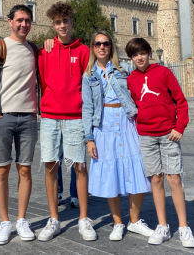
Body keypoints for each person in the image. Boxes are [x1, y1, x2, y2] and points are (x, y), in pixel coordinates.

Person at [82, 31, 153, 241]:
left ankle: (134, 220)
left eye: (106, 43)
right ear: (93, 47)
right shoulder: (88, 76)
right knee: (110, 174)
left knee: (136, 169)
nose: (102, 47)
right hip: (103, 125)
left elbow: (139, 92)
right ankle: (117, 222)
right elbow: (86, 108)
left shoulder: (124, 70)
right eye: (97, 43)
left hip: (125, 121)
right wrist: (89, 138)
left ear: (111, 46)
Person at [125, 38, 194, 247]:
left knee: (174, 178)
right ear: (131, 58)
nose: (139, 58)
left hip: (168, 134)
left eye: (142, 53)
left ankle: (184, 227)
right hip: (146, 136)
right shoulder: (131, 79)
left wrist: (179, 127)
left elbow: (180, 101)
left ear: (149, 53)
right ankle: (163, 225)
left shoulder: (164, 73)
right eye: (134, 55)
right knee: (155, 180)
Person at [0, 4, 38, 245]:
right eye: (19, 20)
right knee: (1, 170)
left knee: (25, 170)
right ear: (10, 21)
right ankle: (5, 222)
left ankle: (21, 219)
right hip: (3, 118)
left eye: (28, 21)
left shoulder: (34, 49)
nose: (24, 25)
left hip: (28, 118)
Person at [37, 2, 96, 242]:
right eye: (58, 22)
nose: (62, 26)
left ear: (72, 23)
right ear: (53, 25)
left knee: (79, 166)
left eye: (65, 21)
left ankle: (83, 218)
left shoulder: (83, 51)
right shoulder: (45, 51)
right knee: (50, 166)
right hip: (50, 116)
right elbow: (42, 82)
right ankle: (54, 219)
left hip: (75, 117)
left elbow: (88, 83)